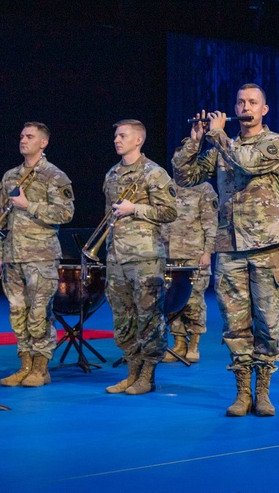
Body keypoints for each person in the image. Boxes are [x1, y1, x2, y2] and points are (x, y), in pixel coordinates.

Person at [173, 84, 279, 418]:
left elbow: (247, 164)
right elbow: (184, 177)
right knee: (235, 324)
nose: (246, 107)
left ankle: (264, 391)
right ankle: (242, 392)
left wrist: (219, 136)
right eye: (241, 102)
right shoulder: (221, 145)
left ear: (264, 110)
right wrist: (196, 138)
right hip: (230, 245)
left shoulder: (275, 143)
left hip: (267, 245)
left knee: (267, 324)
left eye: (253, 102)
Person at [0, 122, 75, 388]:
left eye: (30, 136)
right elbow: (1, 219)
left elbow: (66, 213)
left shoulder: (53, 175)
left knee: (39, 313)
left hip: (41, 256)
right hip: (13, 255)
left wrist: (30, 205)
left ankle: (41, 368)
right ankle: (24, 365)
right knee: (18, 312)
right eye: (21, 136)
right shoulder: (10, 176)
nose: (23, 140)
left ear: (43, 142)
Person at [102, 119, 178, 396]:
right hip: (117, 258)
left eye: (122, 136)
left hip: (145, 257)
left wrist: (136, 208)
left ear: (138, 140)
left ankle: (147, 375)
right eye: (116, 135)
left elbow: (170, 212)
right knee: (123, 319)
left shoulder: (154, 173)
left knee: (148, 317)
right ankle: (132, 372)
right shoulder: (111, 174)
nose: (117, 140)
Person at [161, 180, 218, 363]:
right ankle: (179, 343)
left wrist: (208, 252)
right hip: (169, 253)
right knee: (172, 299)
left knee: (194, 301)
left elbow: (211, 222)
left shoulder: (203, 188)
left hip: (194, 254)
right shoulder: (166, 185)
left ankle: (194, 343)